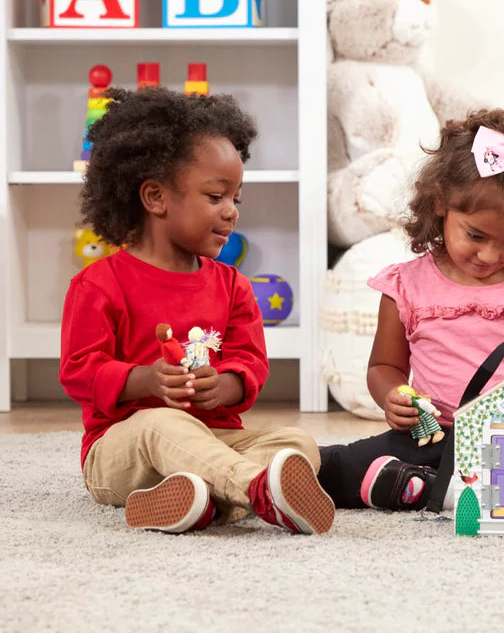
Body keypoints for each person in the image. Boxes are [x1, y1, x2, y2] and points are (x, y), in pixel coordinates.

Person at [59, 87, 334, 535]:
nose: (231, 213)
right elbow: (77, 370)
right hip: (123, 450)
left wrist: (224, 386)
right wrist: (142, 379)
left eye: (236, 199)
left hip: (211, 439)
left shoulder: (232, 286)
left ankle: (203, 505)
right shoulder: (98, 284)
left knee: (297, 443)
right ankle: (257, 491)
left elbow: (250, 362)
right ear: (155, 197)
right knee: (161, 423)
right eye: (215, 197)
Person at [318, 107, 504, 511]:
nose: (489, 254)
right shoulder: (405, 285)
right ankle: (436, 486)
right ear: (442, 201)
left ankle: (424, 489)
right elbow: (384, 367)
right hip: (430, 437)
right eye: (476, 235)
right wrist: (393, 395)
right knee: (333, 464)